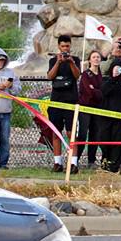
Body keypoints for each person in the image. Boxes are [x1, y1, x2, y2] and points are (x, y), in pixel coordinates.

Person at [46, 35, 82, 173]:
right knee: (56, 132)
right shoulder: (53, 60)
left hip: (71, 101)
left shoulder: (75, 60)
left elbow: (77, 76)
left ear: (70, 46)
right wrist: (58, 62)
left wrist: (71, 62)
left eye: (67, 46)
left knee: (71, 133)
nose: (65, 49)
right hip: (56, 101)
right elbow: (50, 76)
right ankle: (58, 162)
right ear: (59, 46)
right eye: (63, 46)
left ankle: (73, 163)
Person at [98, 58, 121, 173]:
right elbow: (104, 91)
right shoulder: (106, 80)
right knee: (104, 139)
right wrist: (113, 78)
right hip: (106, 116)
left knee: (117, 140)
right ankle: (105, 161)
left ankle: (115, 165)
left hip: (120, 117)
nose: (118, 70)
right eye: (115, 67)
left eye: (120, 68)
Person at [77, 50, 103, 168]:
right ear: (89, 60)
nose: (96, 59)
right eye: (94, 57)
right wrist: (97, 91)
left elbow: (103, 92)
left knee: (95, 134)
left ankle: (91, 161)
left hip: (97, 109)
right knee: (82, 134)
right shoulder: (86, 75)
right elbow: (89, 92)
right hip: (85, 108)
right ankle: (75, 159)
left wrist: (96, 90)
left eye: (98, 57)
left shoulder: (101, 75)